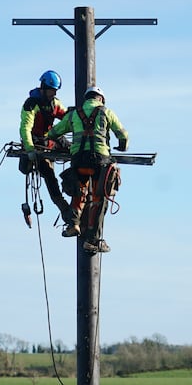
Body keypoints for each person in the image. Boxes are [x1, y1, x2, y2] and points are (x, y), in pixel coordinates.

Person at [45, 86, 129, 253]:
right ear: (101, 99)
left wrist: (62, 143)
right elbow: (123, 135)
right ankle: (92, 239)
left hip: (79, 161)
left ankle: (73, 224)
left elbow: (53, 133)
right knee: (100, 198)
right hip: (100, 161)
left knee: (79, 192)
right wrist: (122, 146)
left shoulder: (74, 114)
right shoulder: (106, 112)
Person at [19, 70, 78, 233]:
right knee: (49, 175)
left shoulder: (55, 103)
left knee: (75, 150)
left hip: (50, 139)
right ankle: (66, 211)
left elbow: (66, 118)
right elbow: (25, 128)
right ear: (44, 87)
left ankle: (78, 197)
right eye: (52, 90)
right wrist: (30, 149)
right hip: (36, 142)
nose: (54, 93)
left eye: (55, 91)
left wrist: (76, 118)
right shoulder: (31, 104)